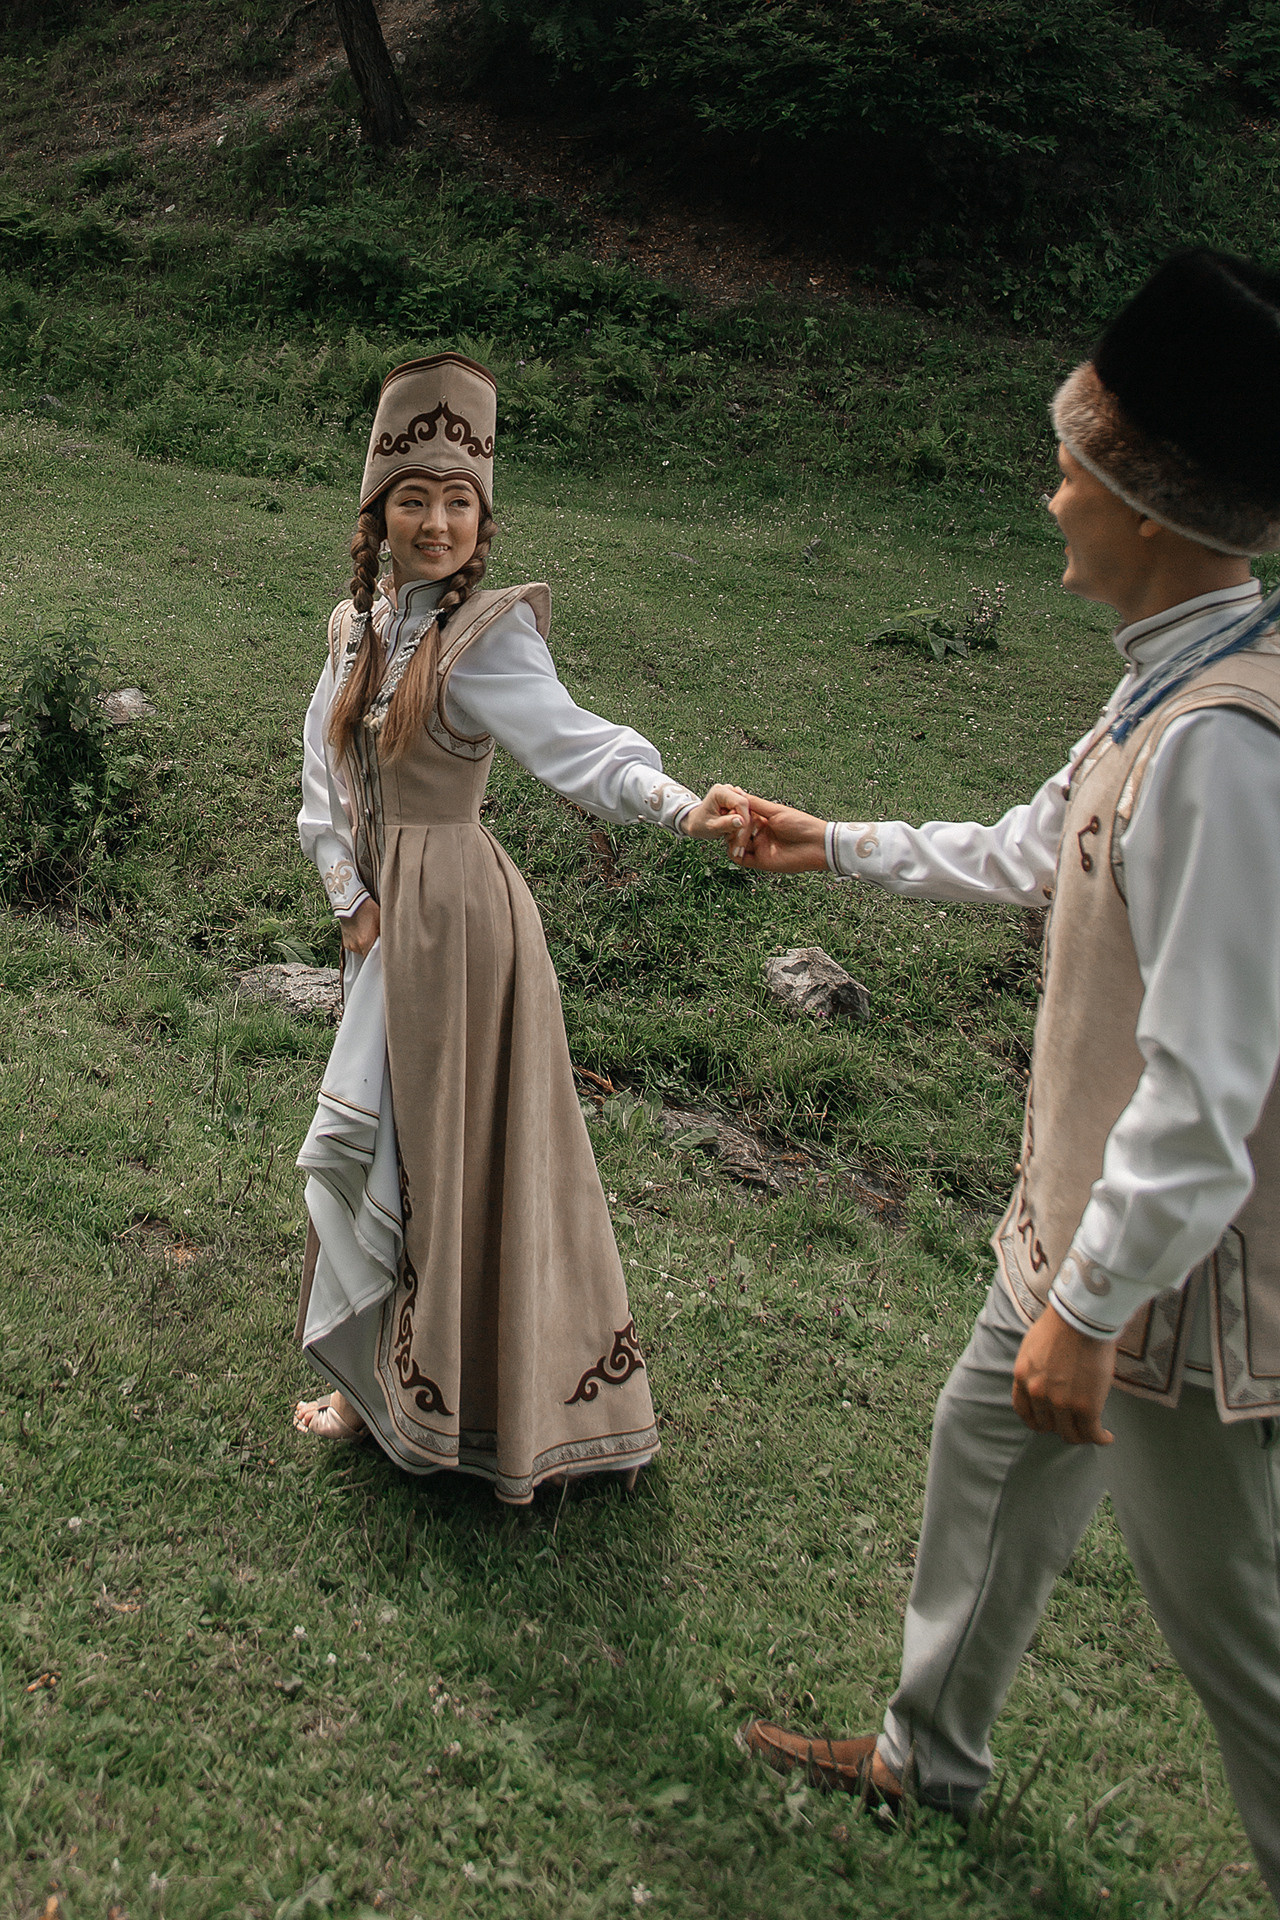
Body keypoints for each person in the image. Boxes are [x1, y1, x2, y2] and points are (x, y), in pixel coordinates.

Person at [734, 251, 1280, 1902]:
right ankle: (929, 1758)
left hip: (1170, 1295)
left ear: (1144, 505)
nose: (1051, 496)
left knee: (1236, 1632)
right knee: (983, 1451)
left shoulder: (1225, 751)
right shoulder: (1165, 685)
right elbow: (1043, 847)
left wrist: (1091, 1311)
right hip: (1077, 1231)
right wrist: (831, 844)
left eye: (1070, 468)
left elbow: (1209, 1089)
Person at [293, 351, 747, 1504]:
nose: (436, 523)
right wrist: (347, 896)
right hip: (385, 926)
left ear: (481, 520)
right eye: (413, 499)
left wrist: (677, 805)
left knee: (452, 1155)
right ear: (377, 513)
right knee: (384, 1144)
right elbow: (321, 774)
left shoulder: (486, 637)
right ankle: (373, 1384)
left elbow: (575, 743)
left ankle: (482, 1406)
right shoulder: (355, 629)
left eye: (458, 501)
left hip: (460, 930)